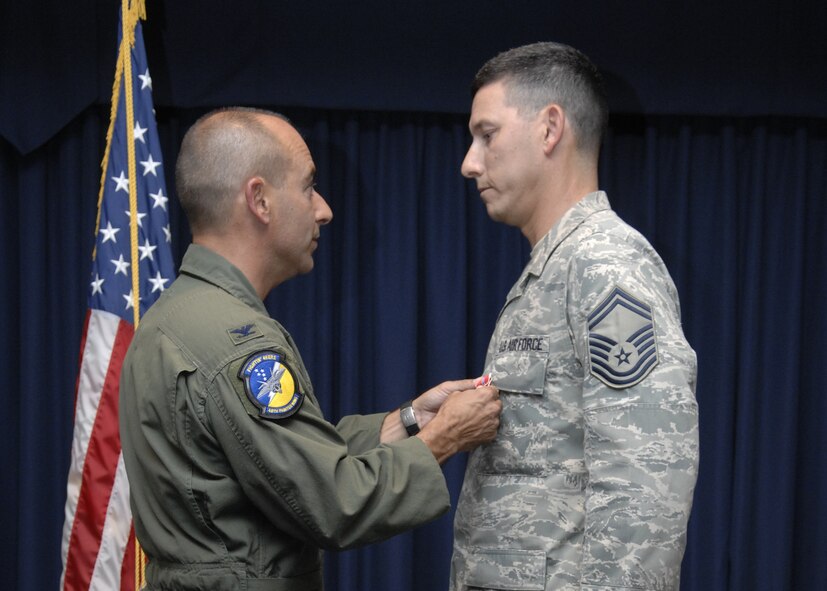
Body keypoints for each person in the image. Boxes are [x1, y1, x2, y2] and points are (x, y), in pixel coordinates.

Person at [119, 107, 502, 590]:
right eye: (307, 187)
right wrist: (446, 436)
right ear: (259, 199)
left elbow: (277, 463)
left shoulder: (174, 318)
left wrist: (408, 421)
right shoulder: (236, 344)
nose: (324, 209)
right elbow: (334, 502)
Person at [449, 42, 699, 591]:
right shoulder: (558, 267)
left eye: (486, 134)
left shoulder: (606, 264)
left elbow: (646, 484)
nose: (469, 162)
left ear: (549, 129)